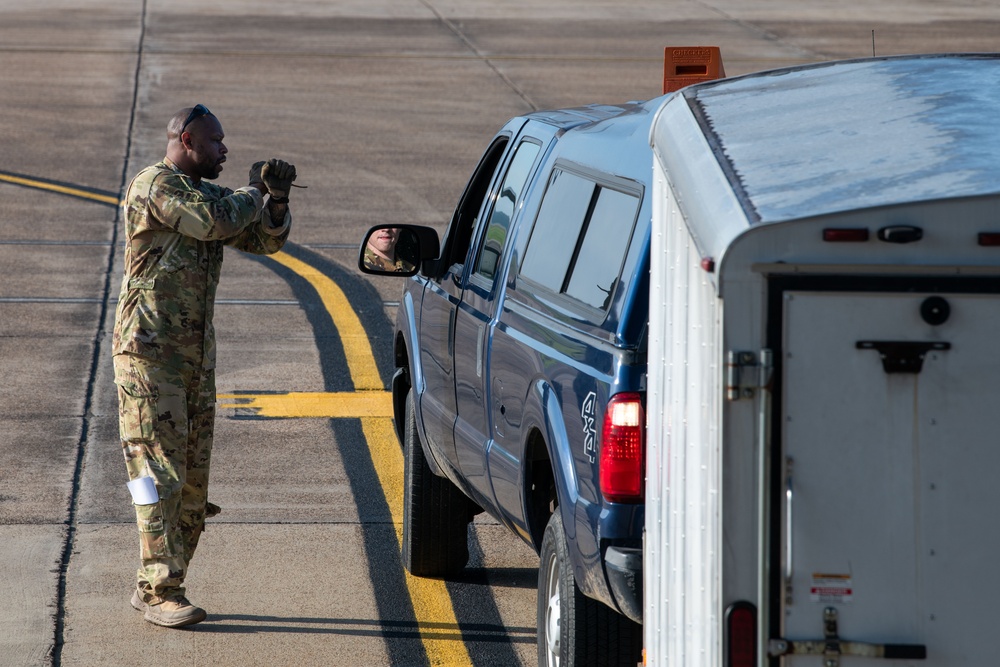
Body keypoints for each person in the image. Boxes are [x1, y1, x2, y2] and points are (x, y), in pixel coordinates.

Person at [112, 104, 297, 628]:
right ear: (188, 140)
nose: (225, 150)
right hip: (149, 358)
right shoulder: (156, 186)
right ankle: (158, 588)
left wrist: (275, 202)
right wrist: (251, 194)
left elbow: (261, 239)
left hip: (192, 360)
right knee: (153, 475)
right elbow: (213, 221)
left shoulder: (206, 193)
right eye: (216, 142)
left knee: (192, 482)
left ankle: (165, 582)